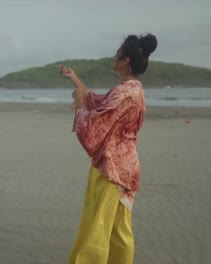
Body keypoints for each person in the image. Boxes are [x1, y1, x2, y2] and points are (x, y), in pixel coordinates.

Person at [59, 33, 157, 264]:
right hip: (126, 168)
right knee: (118, 231)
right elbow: (100, 102)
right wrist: (76, 81)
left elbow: (95, 123)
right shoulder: (133, 89)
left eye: (117, 53)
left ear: (125, 61)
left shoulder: (125, 92)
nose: (114, 56)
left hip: (111, 169)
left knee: (97, 230)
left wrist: (79, 102)